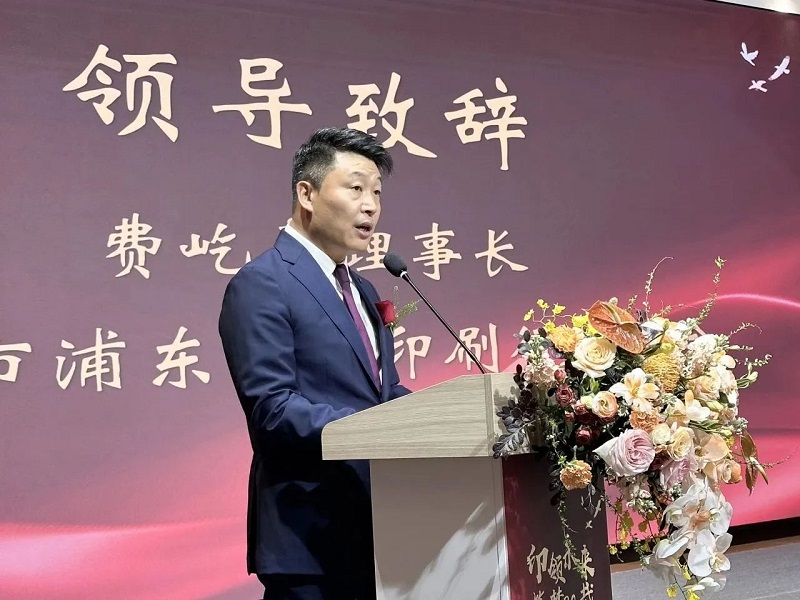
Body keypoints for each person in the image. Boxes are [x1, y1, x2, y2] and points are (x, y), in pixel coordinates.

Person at [218, 127, 411, 600]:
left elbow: (383, 394)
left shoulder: (362, 288)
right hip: (309, 542)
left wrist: (439, 415)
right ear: (307, 194)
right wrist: (375, 428)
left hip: (380, 532)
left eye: (377, 193)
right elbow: (273, 410)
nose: (370, 206)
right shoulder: (262, 283)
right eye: (356, 188)